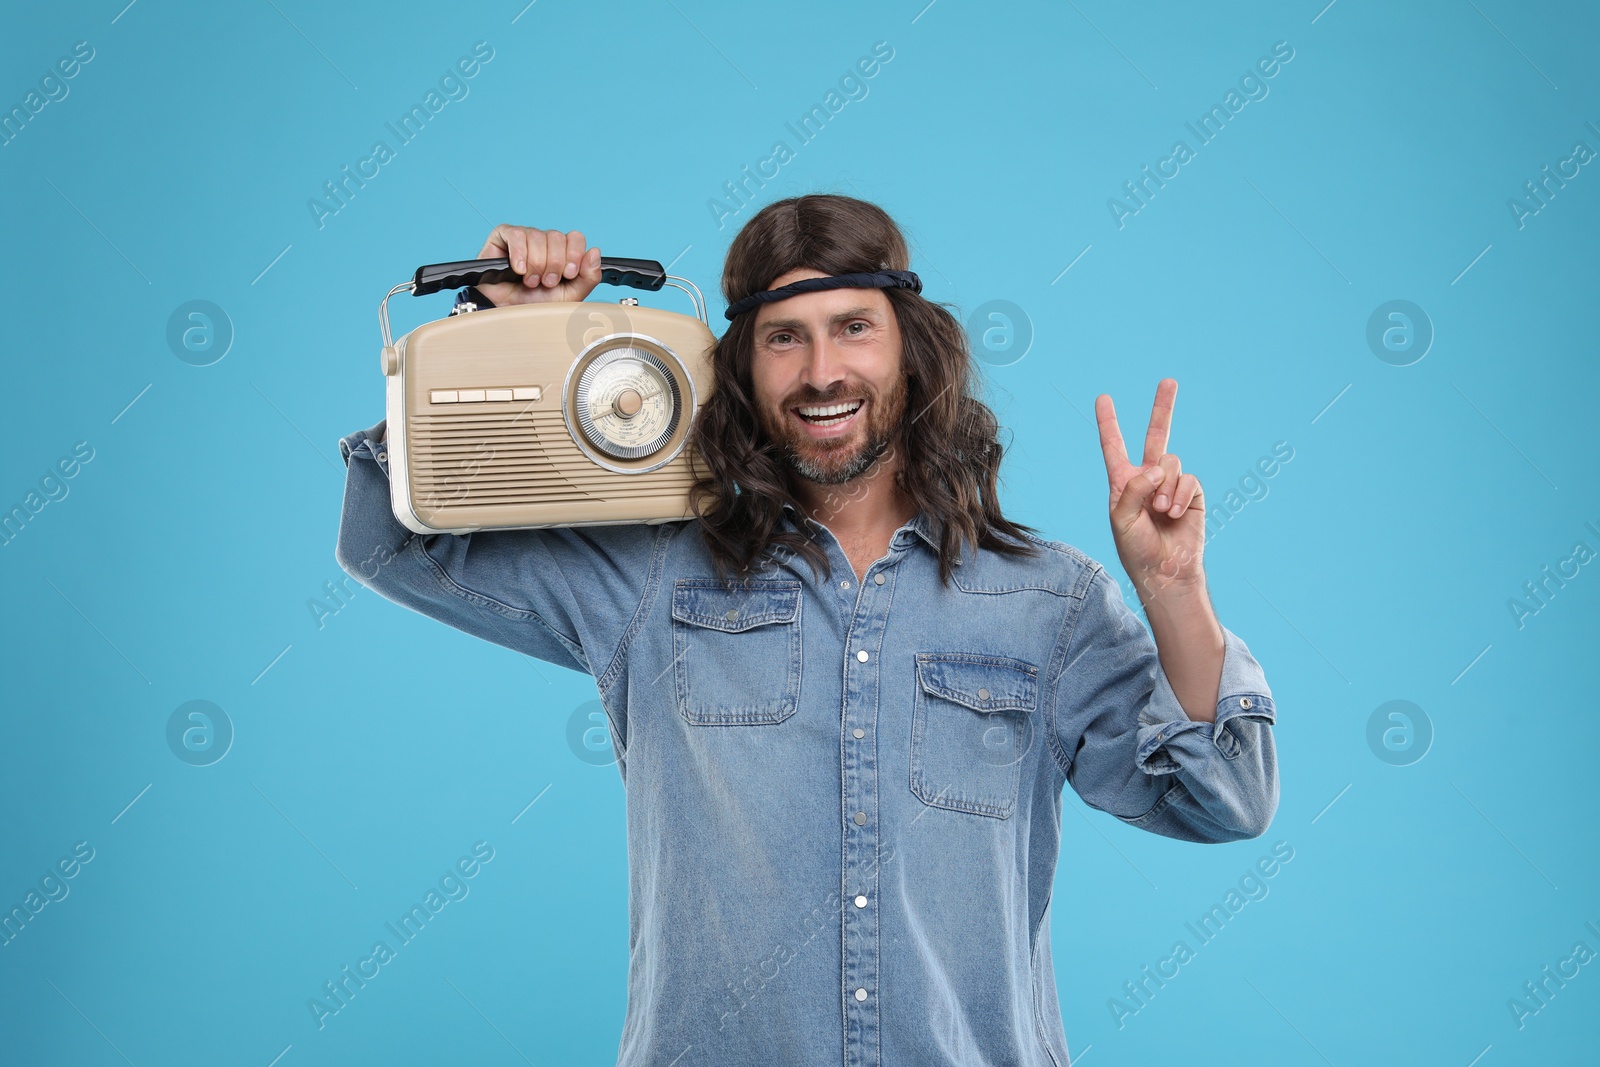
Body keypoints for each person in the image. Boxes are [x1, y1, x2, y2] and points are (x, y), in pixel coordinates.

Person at [334, 194, 1278, 1066]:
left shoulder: (1048, 599)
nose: (823, 371)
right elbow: (392, 538)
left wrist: (1172, 588)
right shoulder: (654, 575)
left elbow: (1224, 796)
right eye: (784, 337)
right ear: (740, 368)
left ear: (910, 347)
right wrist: (526, 334)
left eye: (853, 328)